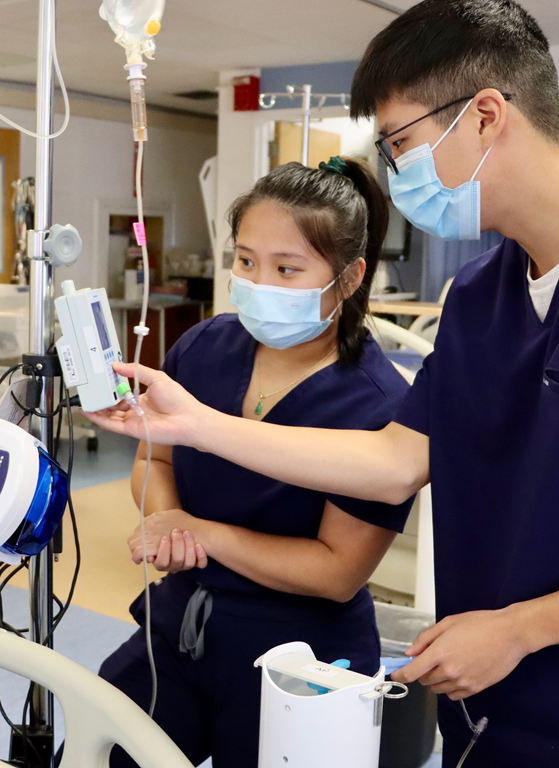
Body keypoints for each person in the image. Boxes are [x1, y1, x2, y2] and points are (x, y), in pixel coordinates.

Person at [85, 1, 559, 766]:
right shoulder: (483, 292)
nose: (396, 175)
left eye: (402, 144)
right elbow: (395, 460)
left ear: (486, 116)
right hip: (498, 704)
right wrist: (192, 424)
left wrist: (522, 626)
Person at [94, 157, 415, 768]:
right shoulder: (206, 345)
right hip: (182, 625)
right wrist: (171, 524)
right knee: (99, 747)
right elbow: (153, 461)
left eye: (287, 268)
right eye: (246, 261)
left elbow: (336, 571)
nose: (259, 283)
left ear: (348, 279)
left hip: (303, 656)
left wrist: (205, 535)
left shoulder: (377, 405)